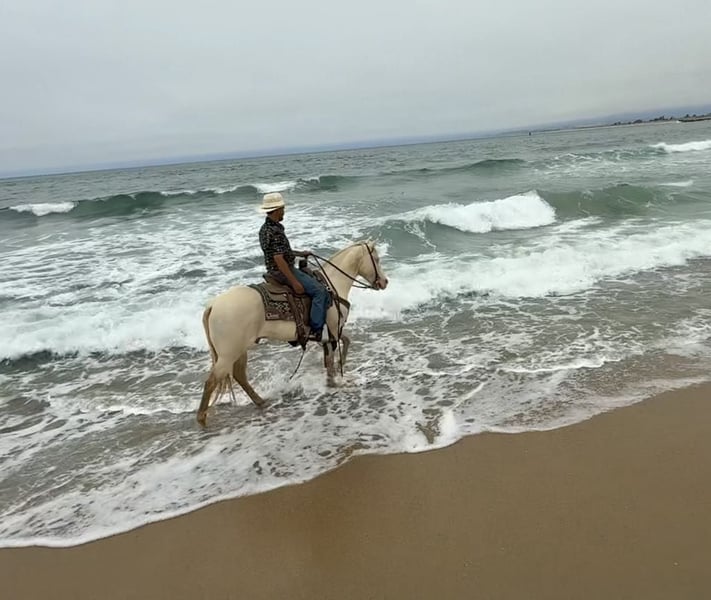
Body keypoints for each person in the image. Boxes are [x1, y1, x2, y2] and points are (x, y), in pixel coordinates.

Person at [258, 192, 329, 341]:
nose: (284, 211)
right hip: (282, 271)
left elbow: (279, 252)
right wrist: (294, 281)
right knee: (320, 291)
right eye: (282, 209)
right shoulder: (275, 231)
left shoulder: (265, 228)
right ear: (277, 210)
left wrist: (300, 253)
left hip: (273, 269)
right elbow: (278, 258)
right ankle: (316, 330)